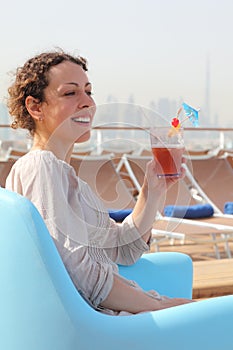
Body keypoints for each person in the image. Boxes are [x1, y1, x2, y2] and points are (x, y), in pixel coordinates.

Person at [6, 50, 192, 315]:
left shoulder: (65, 177)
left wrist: (152, 190)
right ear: (36, 107)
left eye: (88, 92)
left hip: (105, 316)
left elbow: (123, 249)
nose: (87, 103)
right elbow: (77, 270)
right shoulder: (41, 168)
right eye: (70, 93)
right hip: (98, 324)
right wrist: (158, 305)